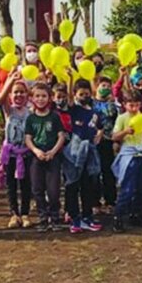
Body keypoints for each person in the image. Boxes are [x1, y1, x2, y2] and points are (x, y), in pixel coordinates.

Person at [25, 83, 67, 233]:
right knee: (37, 188)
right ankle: (43, 217)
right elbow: (28, 138)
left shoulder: (54, 117)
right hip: (37, 157)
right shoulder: (30, 118)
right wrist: (36, 151)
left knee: (54, 190)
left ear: (49, 98)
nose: (40, 99)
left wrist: (53, 152)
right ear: (32, 98)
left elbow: (61, 136)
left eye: (44, 96)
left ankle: (55, 217)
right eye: (37, 96)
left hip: (53, 157)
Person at [111, 90, 142, 231]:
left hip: (141, 153)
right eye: (131, 105)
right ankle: (118, 216)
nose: (134, 108)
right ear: (124, 105)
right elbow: (114, 136)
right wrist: (125, 132)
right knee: (127, 188)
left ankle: (136, 214)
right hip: (128, 154)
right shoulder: (122, 118)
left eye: (137, 105)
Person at [63, 79, 103, 234]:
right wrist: (70, 80)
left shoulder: (95, 112)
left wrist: (99, 133)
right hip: (73, 154)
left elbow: (100, 127)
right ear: (75, 94)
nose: (84, 96)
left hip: (89, 154)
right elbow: (67, 98)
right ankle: (74, 217)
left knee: (88, 186)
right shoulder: (74, 109)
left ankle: (87, 216)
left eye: (87, 94)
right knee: (72, 186)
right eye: (81, 94)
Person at [0, 70, 33, 229]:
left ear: (27, 95)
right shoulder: (8, 111)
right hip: (10, 153)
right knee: (11, 184)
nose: (19, 95)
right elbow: (2, 97)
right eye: (15, 92)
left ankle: (25, 213)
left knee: (26, 184)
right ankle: (14, 214)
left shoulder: (31, 113)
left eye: (22, 92)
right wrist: (11, 79)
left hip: (26, 152)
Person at [92, 75, 119, 211]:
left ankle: (110, 201)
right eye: (103, 86)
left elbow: (116, 122)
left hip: (108, 140)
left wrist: (116, 141)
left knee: (108, 172)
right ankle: (95, 202)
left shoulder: (113, 105)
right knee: (94, 172)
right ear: (96, 87)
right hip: (94, 142)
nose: (106, 88)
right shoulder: (91, 103)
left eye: (109, 86)